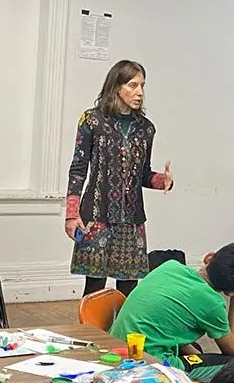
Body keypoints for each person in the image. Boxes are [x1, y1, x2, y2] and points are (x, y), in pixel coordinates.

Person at [64, 60, 174, 299]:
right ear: (116, 87)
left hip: (131, 221)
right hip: (95, 216)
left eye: (142, 85)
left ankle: (122, 335)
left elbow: (143, 175)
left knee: (128, 290)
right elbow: (78, 169)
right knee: (94, 288)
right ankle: (91, 335)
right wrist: (72, 214)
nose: (140, 92)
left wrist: (162, 180)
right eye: (133, 85)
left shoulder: (146, 129)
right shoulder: (91, 121)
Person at [108, 244, 234, 365]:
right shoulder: (212, 303)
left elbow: (167, 328)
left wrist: (200, 358)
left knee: (196, 349)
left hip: (118, 346)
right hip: (148, 362)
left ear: (209, 257)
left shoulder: (171, 267)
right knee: (233, 364)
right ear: (233, 290)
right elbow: (231, 349)